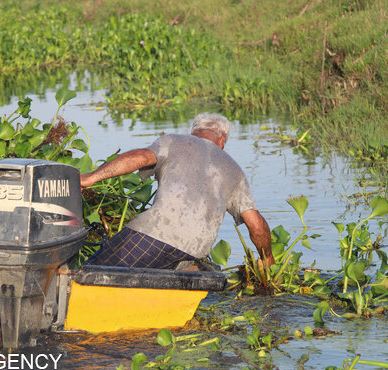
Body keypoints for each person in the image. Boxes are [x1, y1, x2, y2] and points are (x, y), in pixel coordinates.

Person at [80, 113, 275, 270]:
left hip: (154, 234)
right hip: (196, 250)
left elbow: (139, 156)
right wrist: (267, 257)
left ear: (193, 132)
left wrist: (92, 177)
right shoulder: (236, 170)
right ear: (222, 139)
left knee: (91, 273)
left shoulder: (174, 141)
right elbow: (256, 224)